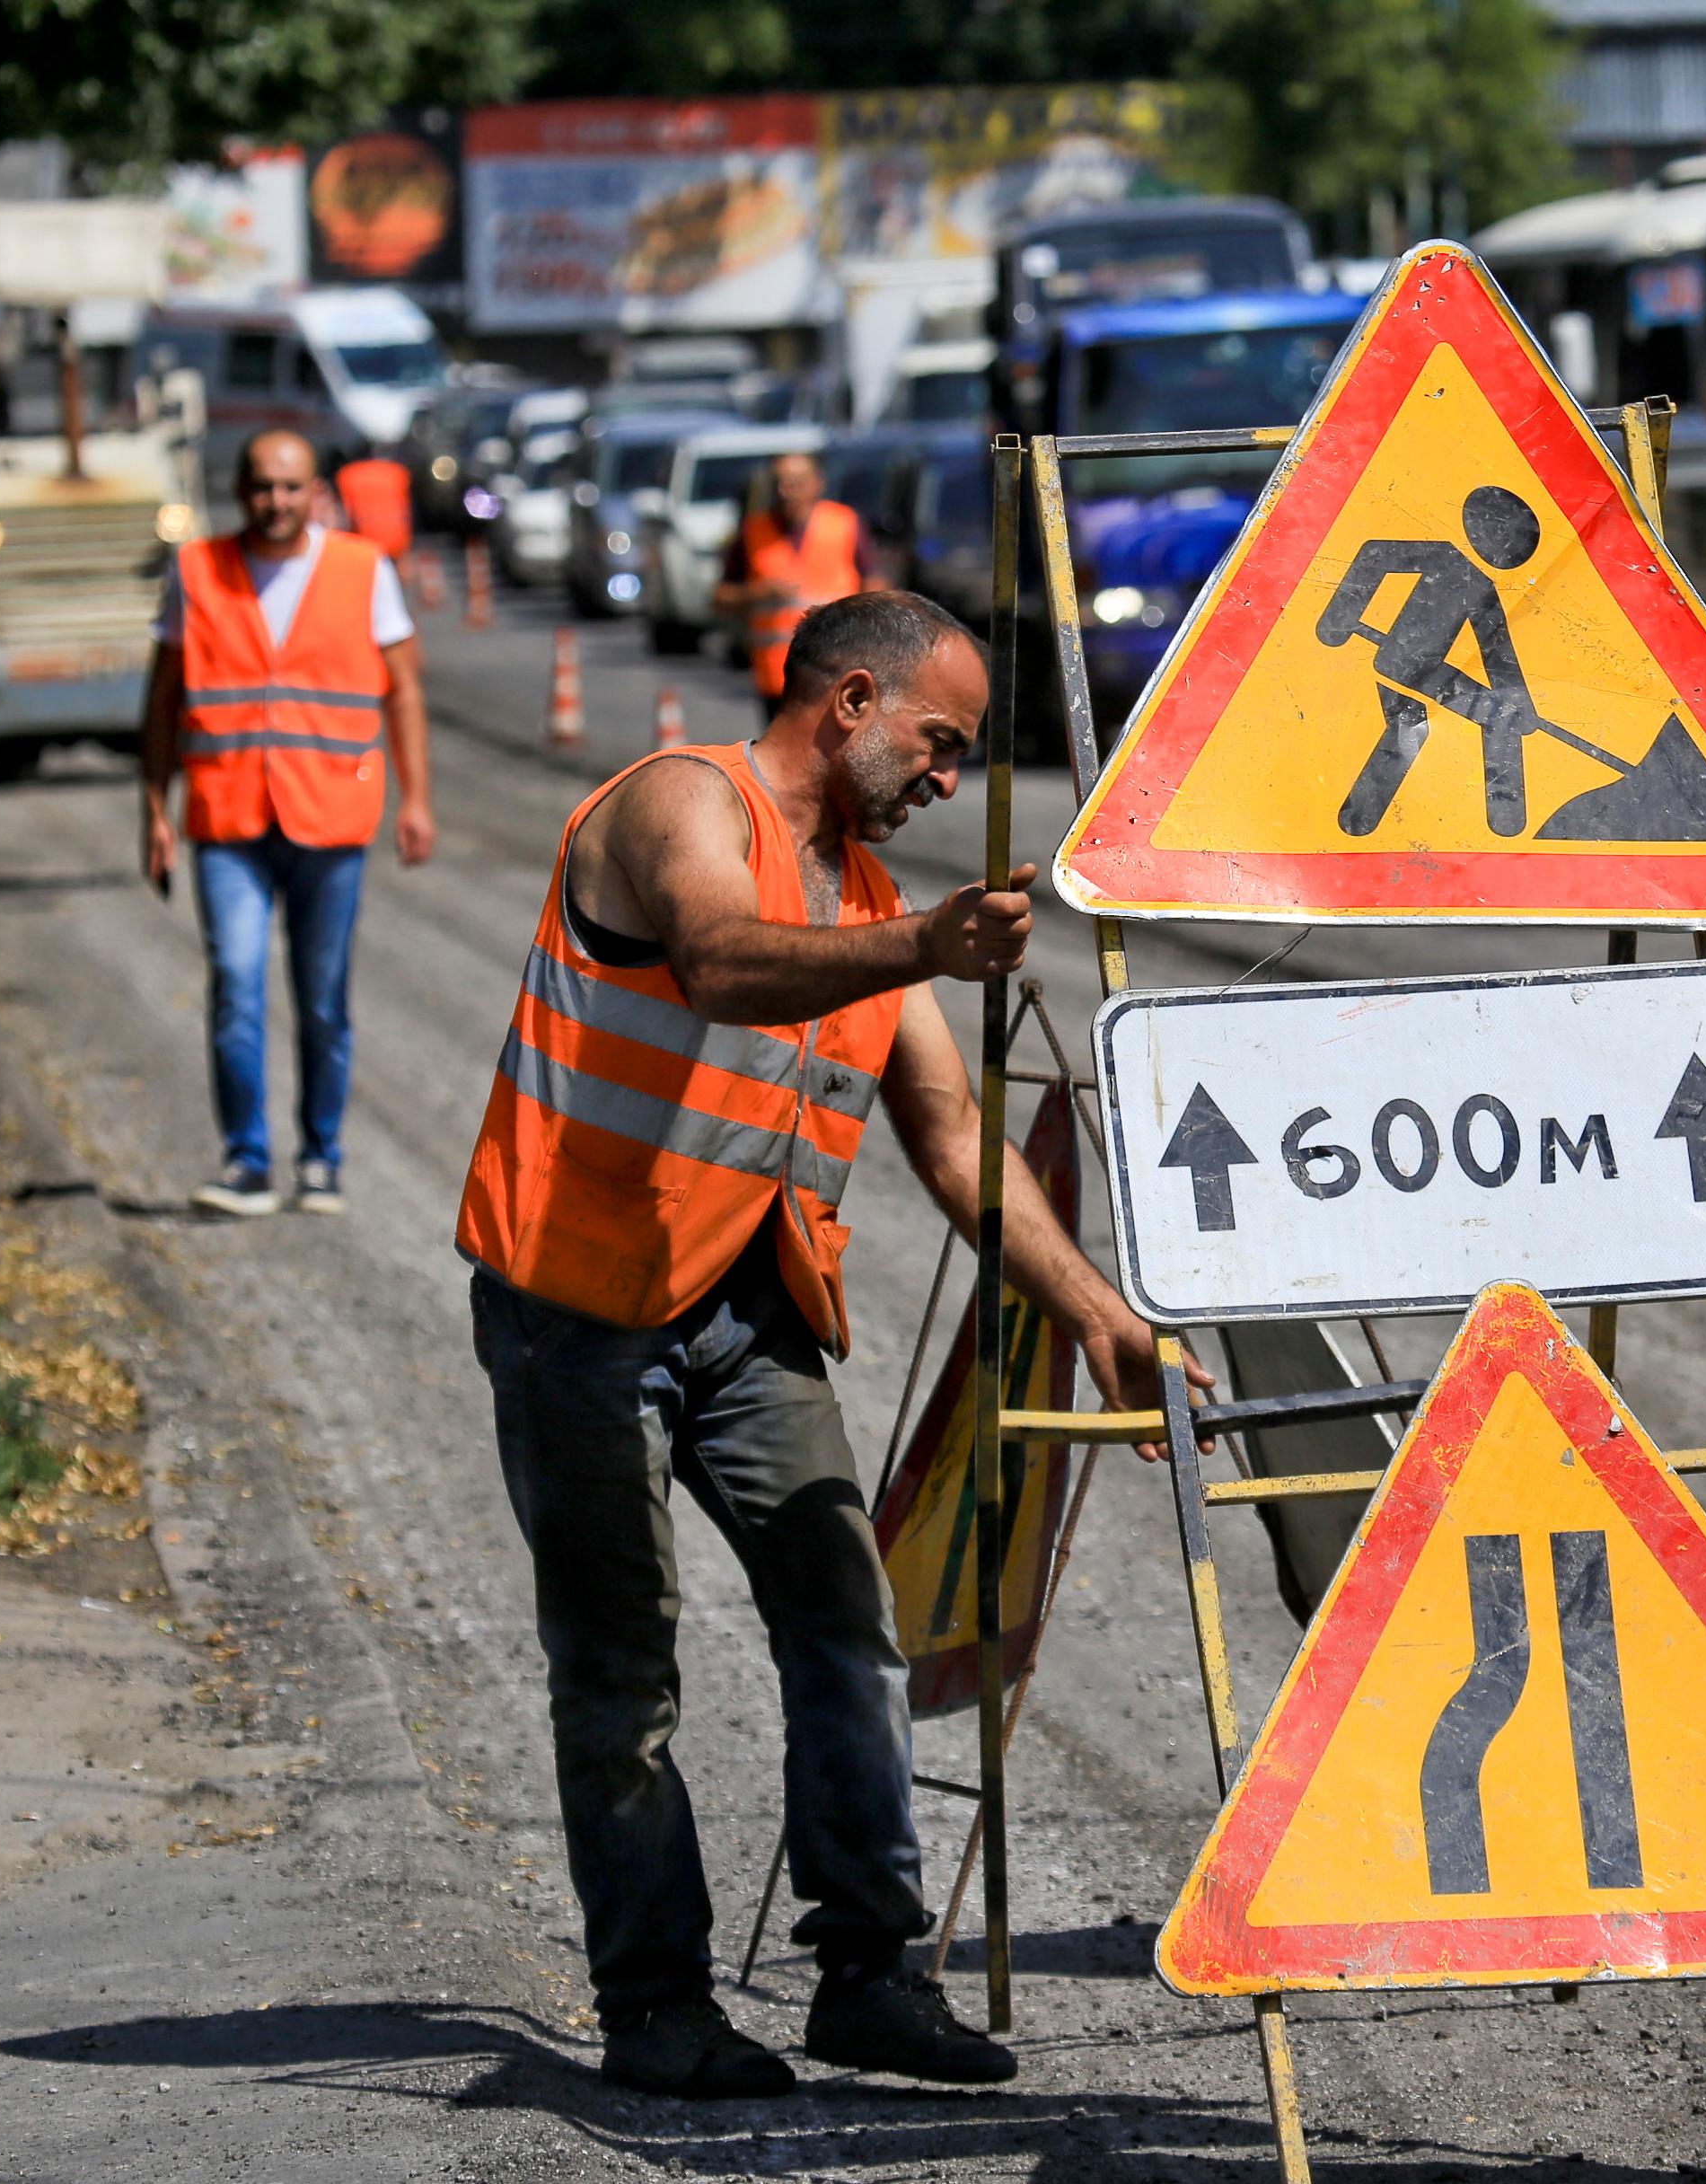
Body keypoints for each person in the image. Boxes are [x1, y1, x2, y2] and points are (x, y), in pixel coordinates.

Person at [458, 591, 1208, 2100]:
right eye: (937, 742)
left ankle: (865, 1973)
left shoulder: (865, 903)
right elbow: (726, 961)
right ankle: (654, 2004)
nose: (945, 776)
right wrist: (921, 941)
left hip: (746, 1311)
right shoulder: (681, 801)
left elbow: (954, 1149)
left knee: (844, 1624)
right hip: (576, 1310)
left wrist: (1105, 1319)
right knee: (620, 1669)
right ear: (849, 699)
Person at [138, 428, 437, 1219]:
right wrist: (153, 812)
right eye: (262, 487)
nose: (276, 501)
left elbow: (403, 689)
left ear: (316, 493)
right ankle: (245, 1161)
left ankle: (320, 1159)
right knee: (236, 982)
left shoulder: (362, 569)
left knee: (321, 997)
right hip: (226, 816)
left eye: (291, 487)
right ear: (239, 490)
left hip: (330, 819)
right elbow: (162, 700)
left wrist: (415, 800)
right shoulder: (197, 571)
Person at [713, 451, 884, 729]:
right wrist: (755, 593)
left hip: (837, 670)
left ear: (817, 483)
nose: (785, 492)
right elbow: (720, 597)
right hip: (777, 677)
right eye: (779, 483)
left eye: (795, 483)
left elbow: (873, 582)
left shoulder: (844, 524)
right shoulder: (753, 531)